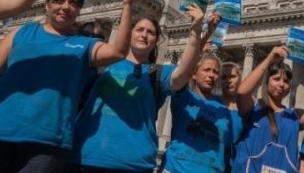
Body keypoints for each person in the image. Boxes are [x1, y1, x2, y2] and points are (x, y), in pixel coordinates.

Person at [0, 0, 139, 172]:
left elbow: (118, 52)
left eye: (73, 3)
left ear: (78, 11)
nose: (65, 7)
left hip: (47, 144)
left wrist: (127, 6)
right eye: (58, 0)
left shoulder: (85, 46)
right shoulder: (20, 33)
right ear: (46, 5)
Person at [66, 10, 217, 173]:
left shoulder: (158, 73)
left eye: (150, 32)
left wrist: (196, 31)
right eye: (139, 30)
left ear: (156, 41)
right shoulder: (102, 63)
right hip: (86, 158)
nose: (144, 35)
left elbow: (185, 72)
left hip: (135, 164)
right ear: (128, 33)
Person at [232, 46, 304, 173]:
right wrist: (269, 59)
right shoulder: (254, 108)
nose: (282, 84)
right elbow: (242, 92)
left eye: (286, 81)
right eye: (276, 79)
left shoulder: (293, 115)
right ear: (267, 81)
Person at [160, 52, 233, 173]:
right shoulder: (184, 96)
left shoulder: (224, 110)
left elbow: (226, 149)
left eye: (215, 72)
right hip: (176, 169)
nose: (211, 75)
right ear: (194, 74)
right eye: (207, 70)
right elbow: (182, 72)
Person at [220, 61, 245, 173]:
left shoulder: (247, 108)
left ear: (240, 79)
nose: (228, 80)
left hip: (237, 166)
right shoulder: (213, 103)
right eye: (224, 77)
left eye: (232, 76)